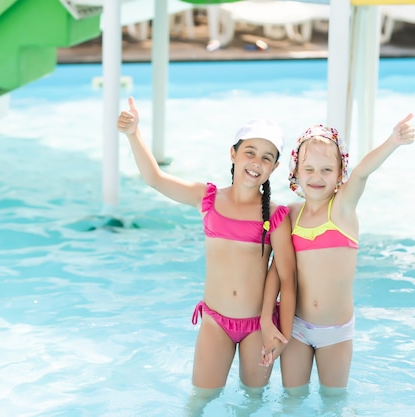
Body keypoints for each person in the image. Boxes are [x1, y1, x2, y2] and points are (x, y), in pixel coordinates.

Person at [116, 97, 296, 395]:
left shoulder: (275, 216)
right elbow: (155, 179)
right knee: (200, 400)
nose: (256, 162)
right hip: (216, 322)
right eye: (249, 152)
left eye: (266, 158)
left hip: (257, 327)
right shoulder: (209, 198)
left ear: (274, 167)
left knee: (253, 402)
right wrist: (134, 133)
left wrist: (281, 334)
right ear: (233, 154)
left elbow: (288, 280)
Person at [262, 114, 415, 393]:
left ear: (339, 173)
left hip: (335, 331)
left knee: (333, 399)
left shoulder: (342, 209)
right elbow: (277, 268)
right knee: (292, 398)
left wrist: (393, 141)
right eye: (308, 169)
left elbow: (362, 172)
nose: (317, 177)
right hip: (295, 326)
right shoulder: (290, 215)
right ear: (295, 171)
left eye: (326, 170)